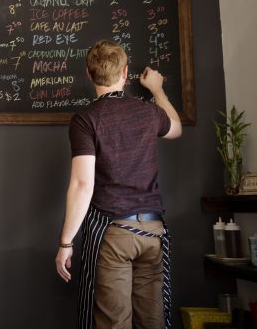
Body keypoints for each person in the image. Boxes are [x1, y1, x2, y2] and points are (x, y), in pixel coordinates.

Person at [54, 40, 182, 329]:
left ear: (89, 74)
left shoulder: (86, 120)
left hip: (114, 235)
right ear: (126, 73)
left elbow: (82, 184)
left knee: (113, 323)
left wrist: (65, 243)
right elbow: (176, 128)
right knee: (153, 321)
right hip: (153, 233)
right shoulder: (149, 112)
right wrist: (157, 89)